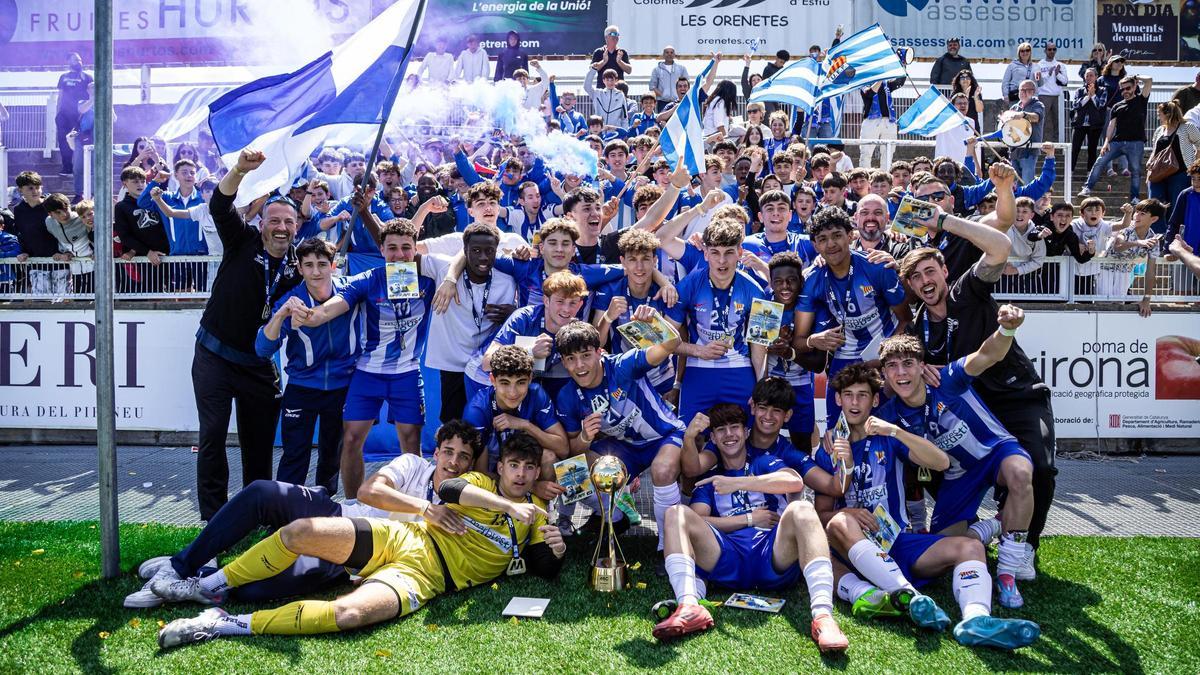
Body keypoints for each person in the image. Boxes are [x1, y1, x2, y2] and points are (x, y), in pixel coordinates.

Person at [157, 433, 564, 649]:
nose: (521, 474)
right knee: (300, 532)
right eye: (514, 465)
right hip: (404, 537)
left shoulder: (536, 512)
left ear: (536, 473)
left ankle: (223, 623)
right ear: (500, 467)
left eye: (529, 468)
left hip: (427, 577)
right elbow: (451, 489)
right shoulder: (481, 484)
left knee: (348, 614)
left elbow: (542, 566)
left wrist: (556, 548)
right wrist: (507, 506)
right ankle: (205, 585)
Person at [131, 422, 481, 608]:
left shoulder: (466, 500)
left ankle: (201, 576)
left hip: (350, 559)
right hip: (338, 513)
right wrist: (424, 508)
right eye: (448, 451)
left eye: (463, 456)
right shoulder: (413, 463)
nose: (453, 461)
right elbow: (367, 492)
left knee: (252, 592)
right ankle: (179, 567)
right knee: (262, 492)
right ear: (435, 453)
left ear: (470, 465)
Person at [816, 364, 1041, 650]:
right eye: (848, 395)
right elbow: (820, 515)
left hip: (896, 542)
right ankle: (909, 596)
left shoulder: (887, 437)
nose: (855, 402)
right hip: (853, 548)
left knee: (970, 547)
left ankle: (975, 619)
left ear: (875, 400)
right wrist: (847, 512)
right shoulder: (829, 448)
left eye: (863, 395)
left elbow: (941, 462)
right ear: (838, 399)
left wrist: (896, 431)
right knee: (839, 522)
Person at [898, 178, 1058, 574]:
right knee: (931, 465)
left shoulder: (964, 290)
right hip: (973, 413)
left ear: (944, 271)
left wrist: (942, 220)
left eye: (930, 271)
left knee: (1037, 470)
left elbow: (1000, 246)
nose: (925, 281)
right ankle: (982, 528)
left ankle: (1023, 548)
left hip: (1017, 395)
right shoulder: (918, 328)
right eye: (916, 277)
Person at [652, 403, 848, 652]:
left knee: (803, 509)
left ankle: (823, 617)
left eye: (735, 427)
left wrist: (739, 483)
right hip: (727, 557)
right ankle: (689, 606)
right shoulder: (710, 480)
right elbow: (698, 519)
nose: (729, 434)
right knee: (675, 513)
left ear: (746, 432)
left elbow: (794, 481)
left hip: (771, 555)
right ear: (713, 439)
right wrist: (748, 519)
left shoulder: (763, 462)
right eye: (721, 430)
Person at [878, 319, 1037, 609]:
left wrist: (1006, 329)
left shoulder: (947, 378)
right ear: (885, 374)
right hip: (959, 473)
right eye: (892, 366)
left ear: (922, 366)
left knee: (1020, 473)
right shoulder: (889, 415)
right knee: (945, 545)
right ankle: (994, 526)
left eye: (908, 364)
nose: (901, 373)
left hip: (995, 451)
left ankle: (1007, 573)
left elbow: (988, 354)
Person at [192, 149, 303, 521]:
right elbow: (220, 206)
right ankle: (213, 519)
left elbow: (325, 286)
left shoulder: (298, 265)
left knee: (259, 444)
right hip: (214, 356)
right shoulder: (242, 240)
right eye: (275, 220)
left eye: (289, 221)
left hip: (258, 363)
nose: (281, 227)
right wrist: (239, 170)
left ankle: (255, 515)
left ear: (297, 226)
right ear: (261, 223)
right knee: (213, 434)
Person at [554, 312, 684, 550]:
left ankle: (668, 545)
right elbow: (571, 449)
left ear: (599, 352)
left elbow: (672, 344)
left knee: (663, 470)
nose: (579, 366)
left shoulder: (623, 365)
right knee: (570, 469)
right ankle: (614, 517)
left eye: (586, 355)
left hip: (663, 436)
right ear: (563, 361)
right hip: (625, 448)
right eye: (571, 359)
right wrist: (584, 437)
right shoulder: (567, 395)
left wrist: (654, 320)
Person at [254, 239, 357, 493]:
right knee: (295, 454)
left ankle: (324, 504)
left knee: (332, 455)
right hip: (302, 387)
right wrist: (281, 315)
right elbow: (263, 349)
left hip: (342, 387)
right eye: (308, 265)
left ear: (333, 265)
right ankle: (285, 509)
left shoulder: (351, 290)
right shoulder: (292, 300)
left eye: (322, 264)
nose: (316, 271)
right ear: (299, 268)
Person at [792, 206, 910, 428]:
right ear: (815, 245)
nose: (831, 244)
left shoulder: (877, 267)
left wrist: (886, 356)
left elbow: (905, 320)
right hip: (845, 355)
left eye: (837, 235)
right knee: (836, 429)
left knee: (885, 426)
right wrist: (813, 341)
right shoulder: (813, 279)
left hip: (884, 351)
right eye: (822, 239)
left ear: (850, 235)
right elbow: (799, 340)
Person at [666, 219, 768, 423]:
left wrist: (761, 387)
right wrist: (698, 351)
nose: (722, 261)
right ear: (705, 254)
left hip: (740, 368)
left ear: (740, 252)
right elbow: (663, 338)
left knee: (745, 434)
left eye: (729, 252)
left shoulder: (756, 290)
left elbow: (760, 347)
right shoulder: (688, 285)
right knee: (690, 435)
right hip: (698, 368)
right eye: (715, 253)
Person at [464, 344, 568, 472]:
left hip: (522, 469)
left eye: (520, 382)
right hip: (492, 475)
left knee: (549, 457)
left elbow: (563, 449)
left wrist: (526, 425)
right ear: (492, 380)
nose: (512, 393)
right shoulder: (477, 410)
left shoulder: (536, 395)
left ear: (530, 378)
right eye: (505, 383)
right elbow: (479, 473)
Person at [1080, 75, 1153, 200]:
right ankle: (1087, 188)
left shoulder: (1141, 99)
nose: (1125, 92)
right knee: (1099, 162)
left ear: (1135, 87)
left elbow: (1149, 80)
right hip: (1117, 141)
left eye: (1128, 88)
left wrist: (1135, 77)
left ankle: (1134, 198)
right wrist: (1106, 142)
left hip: (1136, 143)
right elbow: (1111, 125)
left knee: (1135, 171)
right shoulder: (1116, 106)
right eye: (1122, 89)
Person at [11, 171, 68, 296]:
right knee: (41, 301)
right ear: (20, 190)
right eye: (30, 188)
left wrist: (66, 253)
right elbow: (21, 234)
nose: (35, 191)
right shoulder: (18, 210)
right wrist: (24, 252)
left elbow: (66, 229)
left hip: (60, 261)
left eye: (37, 187)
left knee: (63, 301)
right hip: (36, 262)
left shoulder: (52, 205)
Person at [1149, 101, 1200, 212]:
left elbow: (1199, 143)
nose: (1158, 117)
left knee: (1176, 205)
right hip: (1158, 173)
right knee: (1154, 205)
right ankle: (1157, 224)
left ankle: (1173, 224)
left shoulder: (1187, 127)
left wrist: (1196, 162)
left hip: (1180, 173)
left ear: (1168, 114)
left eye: (1159, 114)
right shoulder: (1159, 130)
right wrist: (1149, 163)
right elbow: (1154, 150)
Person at [858, 73, 907, 169]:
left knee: (888, 153)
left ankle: (886, 175)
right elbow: (870, 93)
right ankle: (863, 175)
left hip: (889, 121)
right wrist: (881, 78)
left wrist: (903, 67)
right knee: (866, 152)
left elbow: (899, 82)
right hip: (871, 121)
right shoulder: (864, 82)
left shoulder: (886, 83)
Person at [55, 52, 92, 176]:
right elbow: (60, 96)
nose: (79, 62)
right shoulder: (63, 77)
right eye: (76, 60)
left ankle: (81, 167)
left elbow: (92, 94)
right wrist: (57, 113)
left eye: (80, 59)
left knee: (79, 140)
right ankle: (67, 168)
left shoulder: (87, 77)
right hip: (63, 115)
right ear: (69, 62)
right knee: (63, 141)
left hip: (79, 115)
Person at [1071, 68, 1108, 176]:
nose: (1088, 77)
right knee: (1074, 148)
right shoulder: (1079, 90)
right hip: (1079, 123)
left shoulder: (1102, 90)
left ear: (1096, 77)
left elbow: (1101, 105)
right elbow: (1076, 105)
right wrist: (1088, 96)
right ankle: (1070, 171)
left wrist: (1093, 95)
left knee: (1092, 149)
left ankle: (1090, 173)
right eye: (1087, 75)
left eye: (1091, 75)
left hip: (1095, 124)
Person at [1008, 80, 1046, 184]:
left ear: (1033, 91)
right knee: (1014, 187)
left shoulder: (1038, 105)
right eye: (1021, 90)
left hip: (1029, 151)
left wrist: (1023, 115)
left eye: (1027, 90)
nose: (1023, 93)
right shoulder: (1014, 107)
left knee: (1027, 184)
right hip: (1014, 151)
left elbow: (1036, 117)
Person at [1033, 42, 1069, 143]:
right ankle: (1041, 144)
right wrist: (1048, 74)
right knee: (1042, 122)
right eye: (1049, 49)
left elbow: (1065, 81)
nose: (1052, 51)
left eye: (1054, 49)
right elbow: (1037, 81)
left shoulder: (1060, 65)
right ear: (1045, 50)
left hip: (1057, 96)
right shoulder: (1039, 65)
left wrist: (1057, 74)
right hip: (1044, 96)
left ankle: (1057, 146)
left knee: (1058, 122)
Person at [1166, 160, 1200, 254]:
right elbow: (1174, 223)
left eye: (1199, 179)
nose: (1195, 183)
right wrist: (1168, 249)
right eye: (1193, 178)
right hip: (1186, 252)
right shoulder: (1185, 194)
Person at [649, 46, 687, 112]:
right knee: (663, 118)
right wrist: (663, 95)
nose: (669, 54)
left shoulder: (681, 68)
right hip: (662, 102)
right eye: (667, 52)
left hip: (679, 101)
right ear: (663, 54)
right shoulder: (656, 69)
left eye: (671, 52)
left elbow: (687, 84)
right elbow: (652, 87)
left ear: (674, 54)